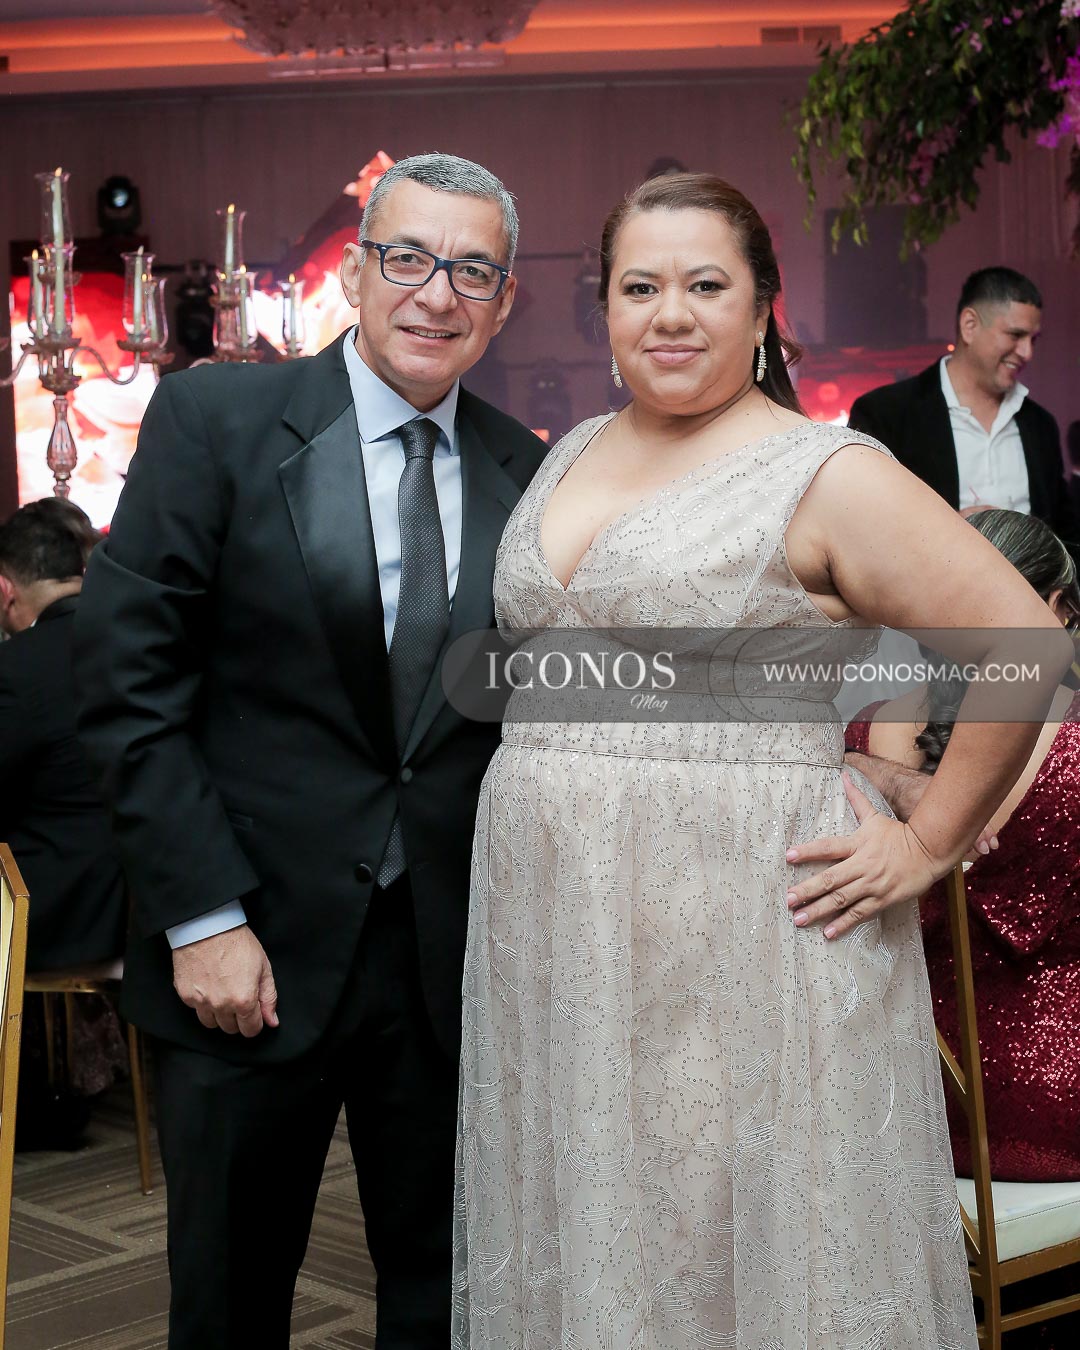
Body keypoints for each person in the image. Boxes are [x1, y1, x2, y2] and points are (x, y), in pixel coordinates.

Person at [452, 174, 1071, 1348]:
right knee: (599, 1211)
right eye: (639, 287)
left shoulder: (824, 471)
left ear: (761, 304)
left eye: (705, 284)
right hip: (565, 924)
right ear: (603, 307)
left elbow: (1023, 644)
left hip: (744, 918)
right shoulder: (570, 450)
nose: (670, 314)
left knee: (727, 1224)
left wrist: (930, 839)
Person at [73, 153, 547, 1349]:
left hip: (447, 968)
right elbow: (129, 686)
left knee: (446, 1301)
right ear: (354, 273)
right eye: (409, 258)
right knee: (230, 1302)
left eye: (473, 271)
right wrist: (201, 917)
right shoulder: (217, 422)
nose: (436, 294)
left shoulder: (531, 473)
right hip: (244, 953)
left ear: (503, 305)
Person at [845, 508, 1080, 1181]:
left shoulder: (862, 737)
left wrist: (868, 769)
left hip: (898, 1108)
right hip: (1059, 1109)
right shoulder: (1072, 744)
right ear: (1059, 611)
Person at [847, 267, 1078, 551]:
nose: (1027, 352)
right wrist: (946, 532)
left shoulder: (1040, 425)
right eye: (1015, 335)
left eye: (1033, 339)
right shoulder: (885, 413)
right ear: (969, 325)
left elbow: (1066, 537)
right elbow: (858, 528)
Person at [0, 505, 126, 971]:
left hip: (60, 920)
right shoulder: (140, 643)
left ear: (5, 589)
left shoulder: (16, 669)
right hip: (155, 906)